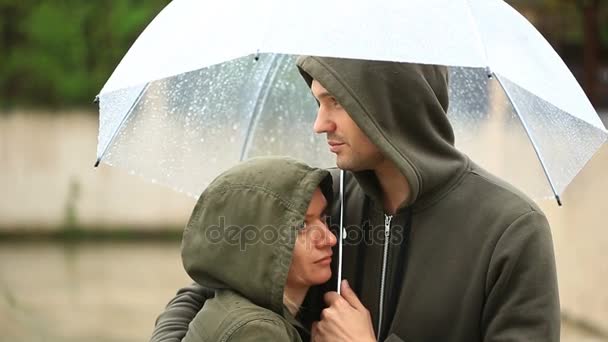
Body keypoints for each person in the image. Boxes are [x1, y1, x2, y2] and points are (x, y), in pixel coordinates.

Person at [150, 57, 560, 342]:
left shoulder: (512, 230)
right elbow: (207, 287)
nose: (319, 123)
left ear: (391, 104)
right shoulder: (322, 201)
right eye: (317, 101)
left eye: (336, 101)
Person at [179, 156, 336, 342]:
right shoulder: (257, 331)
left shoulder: (231, 308)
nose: (329, 238)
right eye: (301, 225)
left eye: (323, 217)